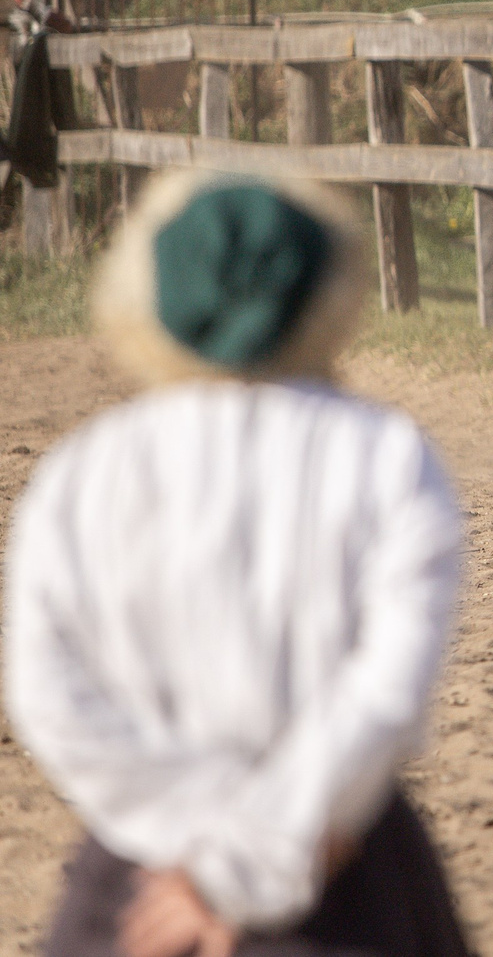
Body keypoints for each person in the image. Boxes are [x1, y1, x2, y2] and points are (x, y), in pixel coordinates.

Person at [6, 171, 469, 957]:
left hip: (146, 878)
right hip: (338, 860)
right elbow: (388, 690)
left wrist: (197, 845)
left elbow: (46, 694)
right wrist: (257, 850)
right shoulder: (388, 456)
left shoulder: (81, 473)